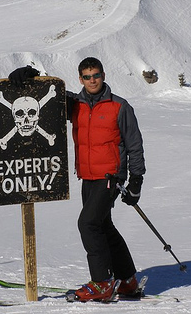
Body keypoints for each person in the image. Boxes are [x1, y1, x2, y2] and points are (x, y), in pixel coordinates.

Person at [9, 57, 146, 301]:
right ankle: (127, 280)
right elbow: (49, 95)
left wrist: (136, 180)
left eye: (96, 75)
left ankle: (102, 282)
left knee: (88, 224)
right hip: (87, 176)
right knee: (104, 226)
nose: (92, 80)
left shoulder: (119, 106)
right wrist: (31, 76)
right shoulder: (76, 104)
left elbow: (134, 145)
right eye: (87, 76)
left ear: (103, 75)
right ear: (80, 78)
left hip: (110, 177)